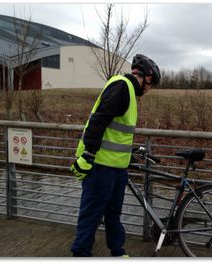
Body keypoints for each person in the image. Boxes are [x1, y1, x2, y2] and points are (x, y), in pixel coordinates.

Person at [69, 54, 161, 257]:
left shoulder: (128, 91)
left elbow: (117, 131)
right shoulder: (121, 87)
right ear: (147, 77)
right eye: (151, 84)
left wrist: (129, 153)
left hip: (117, 168)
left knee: (113, 213)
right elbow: (98, 120)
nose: (150, 89)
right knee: (92, 213)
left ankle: (117, 252)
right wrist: (88, 155)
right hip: (100, 164)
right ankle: (81, 253)